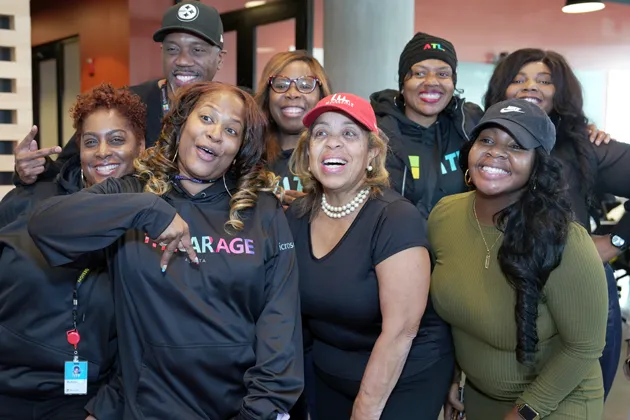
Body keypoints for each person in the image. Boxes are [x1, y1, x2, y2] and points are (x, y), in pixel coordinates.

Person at [28, 81, 303, 420]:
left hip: (238, 410)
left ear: (239, 149)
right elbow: (45, 224)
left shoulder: (263, 211)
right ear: (182, 123)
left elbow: (281, 330)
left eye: (231, 130)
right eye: (206, 118)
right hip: (147, 409)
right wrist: (148, 210)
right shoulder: (131, 193)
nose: (216, 133)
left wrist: (258, 413)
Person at [430, 98, 608, 420]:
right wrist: (452, 376)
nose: (495, 152)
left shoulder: (566, 240)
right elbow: (453, 316)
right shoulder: (444, 216)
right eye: (486, 140)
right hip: (481, 398)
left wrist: (522, 413)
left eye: (516, 146)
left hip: (557, 400)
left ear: (538, 165)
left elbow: (583, 348)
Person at [286, 93, 453, 419]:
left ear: (372, 154)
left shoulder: (394, 218)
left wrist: (365, 409)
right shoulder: (297, 214)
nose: (333, 143)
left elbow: (401, 329)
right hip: (331, 368)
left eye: (349, 134)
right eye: (321, 134)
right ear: (308, 155)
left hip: (405, 373)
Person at [483, 48, 630, 399]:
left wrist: (615, 242)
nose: (530, 87)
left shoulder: (587, 147)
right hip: (501, 289)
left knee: (576, 398)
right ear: (501, 89)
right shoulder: (482, 143)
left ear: (560, 91)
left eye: (544, 81)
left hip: (581, 291)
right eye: (518, 79)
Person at [0, 83, 146, 420]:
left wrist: (106, 408)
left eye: (117, 139)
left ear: (141, 146)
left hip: (80, 402)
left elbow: (146, 336)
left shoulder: (151, 222)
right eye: (91, 141)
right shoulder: (30, 199)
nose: (103, 152)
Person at [370, 33, 609, 218]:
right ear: (403, 83)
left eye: (443, 74)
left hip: (465, 255)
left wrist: (578, 128)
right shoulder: (376, 132)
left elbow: (522, 127)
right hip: (397, 255)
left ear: (453, 82)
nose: (432, 82)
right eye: (420, 73)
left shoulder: (472, 122)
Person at [13, 1, 225, 186]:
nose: (183, 60)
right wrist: (35, 170)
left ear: (220, 58)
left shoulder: (233, 112)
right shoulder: (123, 106)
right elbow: (67, 169)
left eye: (197, 50)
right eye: (172, 49)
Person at [255, 50, 332, 206]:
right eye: (281, 85)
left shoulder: (335, 155)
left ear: (321, 95)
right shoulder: (249, 152)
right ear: (267, 96)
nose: (292, 94)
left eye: (305, 85)